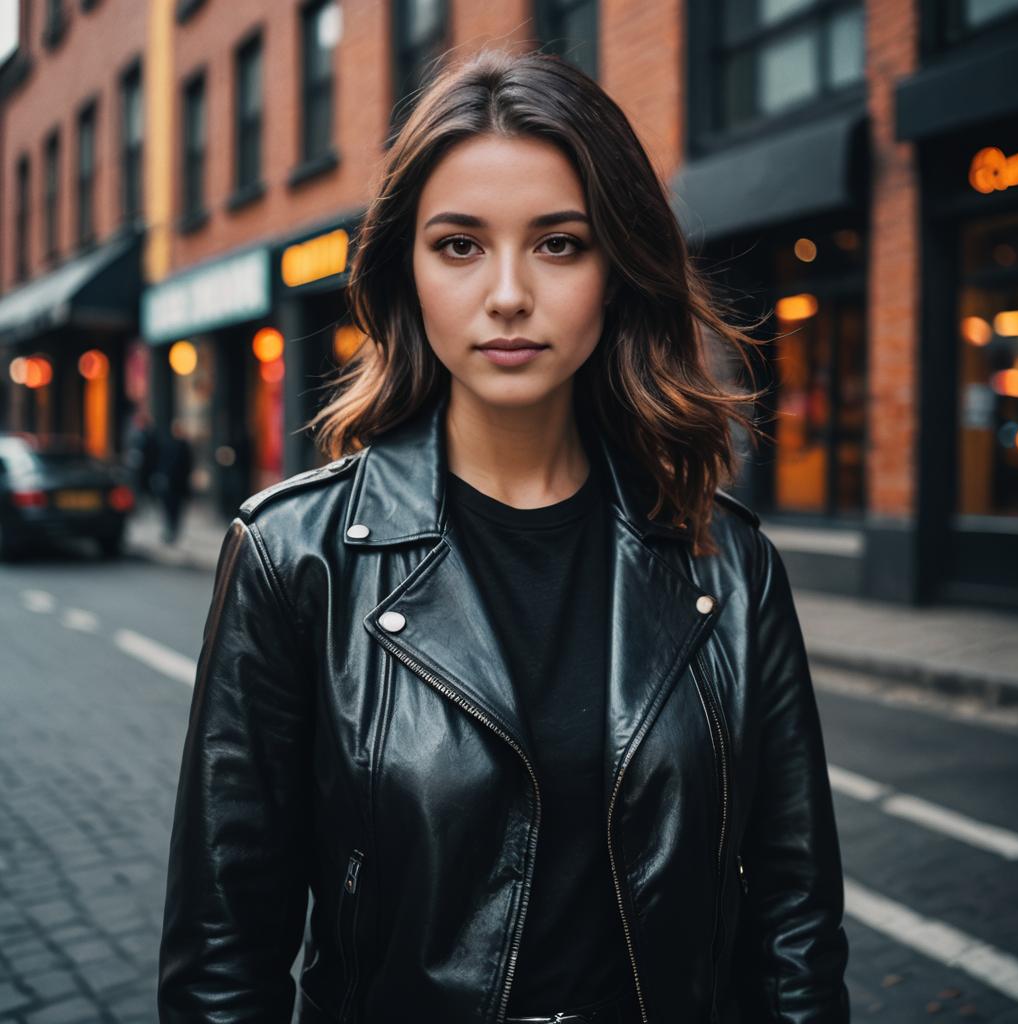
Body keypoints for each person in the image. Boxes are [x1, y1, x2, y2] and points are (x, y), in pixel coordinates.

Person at [158, 48, 849, 1024]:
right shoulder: (293, 557)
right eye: (459, 244)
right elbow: (225, 954)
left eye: (559, 243)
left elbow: (794, 924)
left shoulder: (727, 566)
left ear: (617, 270)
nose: (510, 292)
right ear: (408, 269)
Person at [154, 419, 193, 544]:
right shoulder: (169, 444)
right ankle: (170, 531)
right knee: (168, 509)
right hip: (170, 484)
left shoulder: (183, 446)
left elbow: (187, 466)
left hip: (178, 484)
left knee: (176, 509)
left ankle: (173, 531)